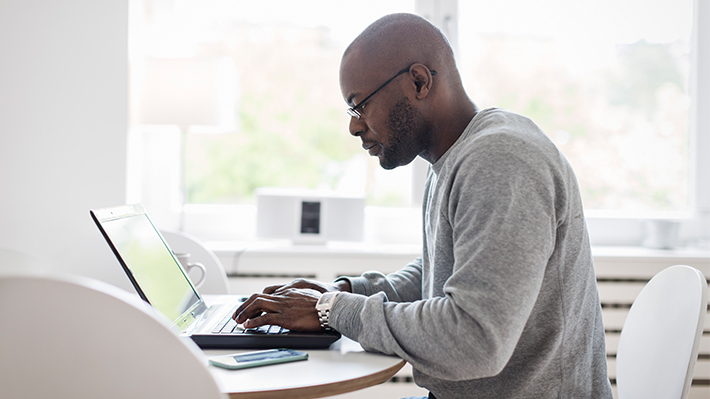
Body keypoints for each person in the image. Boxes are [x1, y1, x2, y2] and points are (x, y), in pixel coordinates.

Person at [234, 13, 613, 399]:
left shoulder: (501, 160)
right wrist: (345, 291)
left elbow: (475, 341)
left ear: (419, 81)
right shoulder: (456, 158)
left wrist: (335, 310)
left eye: (359, 105)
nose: (353, 126)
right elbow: (444, 273)